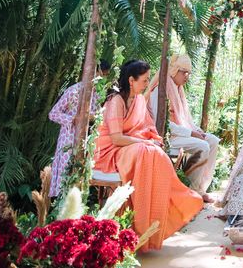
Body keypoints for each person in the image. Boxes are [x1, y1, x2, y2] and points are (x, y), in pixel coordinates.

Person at [94, 60, 203, 252]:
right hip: (110, 151)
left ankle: (151, 222)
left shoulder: (138, 100)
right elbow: (117, 138)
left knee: (155, 152)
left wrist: (151, 139)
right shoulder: (115, 101)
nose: (147, 84)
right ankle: (138, 224)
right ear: (131, 80)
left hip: (131, 148)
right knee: (146, 151)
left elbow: (146, 127)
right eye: (144, 80)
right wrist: (144, 142)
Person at [147, 54, 220, 202]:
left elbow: (185, 119)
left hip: (179, 135)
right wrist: (191, 133)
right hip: (164, 137)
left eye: (189, 73)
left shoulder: (178, 89)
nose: (186, 76)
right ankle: (192, 191)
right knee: (203, 146)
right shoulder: (159, 90)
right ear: (174, 70)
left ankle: (200, 189)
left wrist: (196, 130)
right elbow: (160, 124)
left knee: (212, 140)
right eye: (183, 72)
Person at [48, 59, 111, 198]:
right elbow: (53, 114)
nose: (103, 79)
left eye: (105, 76)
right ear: (92, 72)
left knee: (80, 179)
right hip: (69, 139)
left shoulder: (99, 95)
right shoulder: (74, 91)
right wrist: (74, 119)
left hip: (88, 142)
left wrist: (95, 117)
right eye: (102, 74)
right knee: (66, 177)